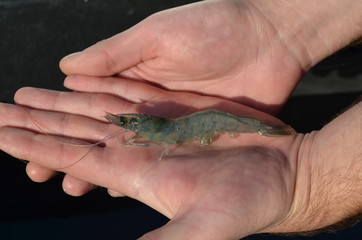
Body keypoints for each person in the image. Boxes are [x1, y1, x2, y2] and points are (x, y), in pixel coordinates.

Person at [0, 0, 361, 239]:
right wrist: (275, 26)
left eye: (130, 123)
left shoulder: (160, 133)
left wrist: (307, 180)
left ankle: (261, 130)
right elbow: (147, 128)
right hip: (194, 126)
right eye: (129, 124)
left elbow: (158, 136)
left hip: (202, 125)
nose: (128, 125)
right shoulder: (151, 125)